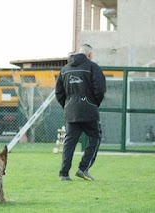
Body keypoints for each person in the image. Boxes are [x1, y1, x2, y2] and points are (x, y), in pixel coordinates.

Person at [55, 44, 106, 181]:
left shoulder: (64, 69)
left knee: (69, 142)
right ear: (89, 55)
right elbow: (100, 89)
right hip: (89, 109)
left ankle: (64, 174)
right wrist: (93, 103)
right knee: (95, 136)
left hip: (71, 111)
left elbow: (59, 93)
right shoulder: (92, 67)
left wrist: (67, 105)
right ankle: (83, 169)